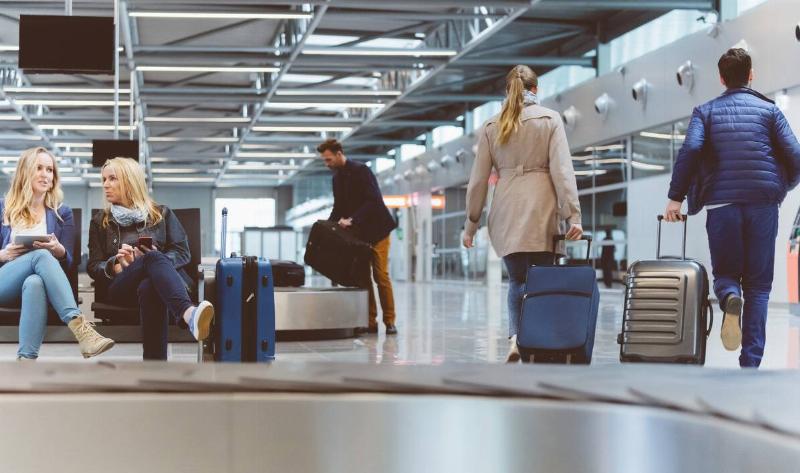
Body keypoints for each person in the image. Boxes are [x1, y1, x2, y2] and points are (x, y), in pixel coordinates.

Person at [664, 48, 800, 368]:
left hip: (722, 204)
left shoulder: (706, 112)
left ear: (722, 78)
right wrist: (780, 188)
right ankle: (750, 361)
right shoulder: (770, 111)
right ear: (751, 74)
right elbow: (796, 157)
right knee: (760, 285)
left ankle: (728, 296)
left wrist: (676, 197)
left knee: (726, 273)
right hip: (763, 206)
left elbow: (692, 149)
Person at [463, 65, 583, 363]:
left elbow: (478, 180)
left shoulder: (492, 125)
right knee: (542, 279)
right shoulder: (550, 119)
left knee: (517, 280)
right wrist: (573, 216)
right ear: (536, 89)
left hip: (506, 208)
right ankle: (541, 339)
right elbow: (563, 172)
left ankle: (516, 338)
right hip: (542, 209)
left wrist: (471, 223)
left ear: (508, 90)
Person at [87, 157, 214, 360]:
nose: (105, 185)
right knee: (151, 258)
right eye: (103, 179)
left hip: (160, 287)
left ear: (130, 181)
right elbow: (93, 265)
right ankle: (188, 314)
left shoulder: (161, 214)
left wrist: (152, 263)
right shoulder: (100, 222)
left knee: (150, 283)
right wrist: (117, 266)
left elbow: (183, 252)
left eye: (112, 179)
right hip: (123, 286)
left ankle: (154, 370)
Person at [0, 147, 115, 360]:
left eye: (50, 170)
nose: (46, 175)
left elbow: (69, 262)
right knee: (41, 256)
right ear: (25, 172)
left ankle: (25, 361)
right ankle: (81, 328)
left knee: (35, 282)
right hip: (5, 282)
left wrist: (59, 250)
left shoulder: (62, 213)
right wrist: (4, 254)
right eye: (39, 168)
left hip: (36, 286)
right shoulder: (3, 208)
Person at [318, 139, 399, 335]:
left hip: (378, 231)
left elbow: (374, 200)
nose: (326, 164)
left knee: (381, 276)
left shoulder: (362, 171)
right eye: (324, 161)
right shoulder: (337, 179)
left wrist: (353, 219)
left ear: (339, 154)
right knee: (363, 279)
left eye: (329, 159)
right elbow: (338, 208)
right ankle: (370, 322)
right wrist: (328, 227)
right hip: (359, 236)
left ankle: (389, 321)